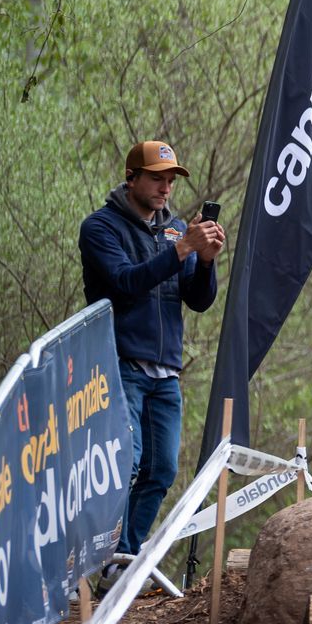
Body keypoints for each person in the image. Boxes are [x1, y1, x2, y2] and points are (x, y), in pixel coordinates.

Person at [78, 140, 225, 564]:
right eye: (157, 179)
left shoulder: (177, 229)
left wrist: (207, 260)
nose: (165, 188)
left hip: (166, 371)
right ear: (132, 178)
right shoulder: (100, 228)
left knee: (161, 470)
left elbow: (197, 300)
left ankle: (122, 561)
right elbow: (125, 282)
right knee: (125, 463)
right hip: (119, 363)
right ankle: (97, 558)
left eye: (171, 180)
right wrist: (180, 251)